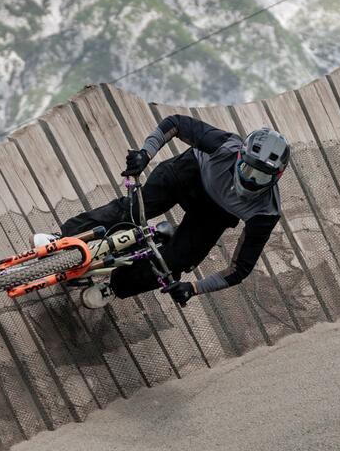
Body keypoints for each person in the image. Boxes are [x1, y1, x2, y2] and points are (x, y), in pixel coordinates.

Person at [36, 115, 289, 307]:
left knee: (177, 262)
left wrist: (194, 288)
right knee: (133, 209)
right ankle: (62, 237)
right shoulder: (224, 144)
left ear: (276, 178)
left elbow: (239, 270)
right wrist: (145, 154)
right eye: (248, 171)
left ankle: (113, 287)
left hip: (214, 214)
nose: (251, 181)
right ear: (239, 157)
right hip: (188, 175)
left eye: (261, 178)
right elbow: (175, 123)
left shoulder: (266, 212)